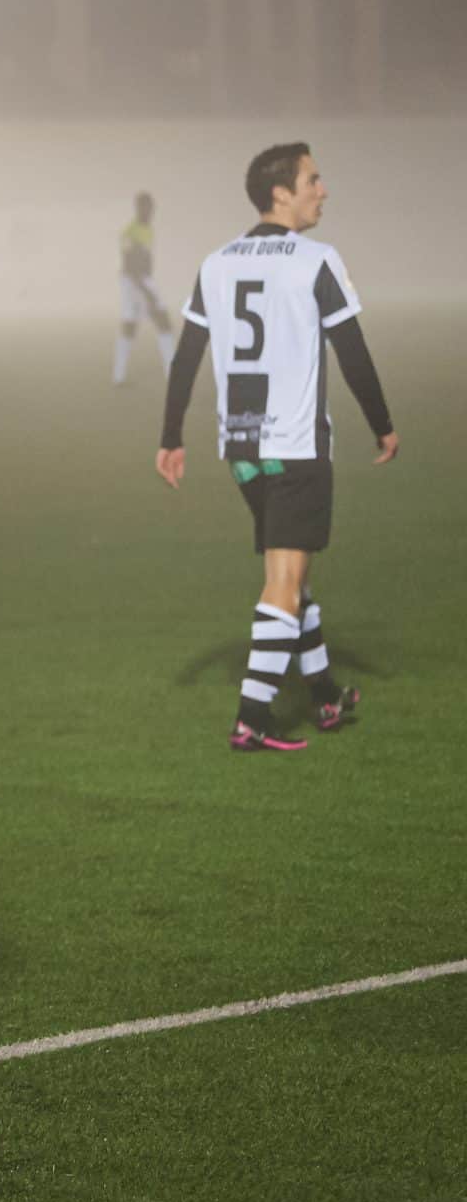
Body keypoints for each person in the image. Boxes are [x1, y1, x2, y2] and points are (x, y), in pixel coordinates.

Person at [157, 143, 396, 751]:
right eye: (313, 179)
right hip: (294, 445)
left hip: (242, 447)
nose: (323, 189)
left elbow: (187, 355)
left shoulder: (216, 262)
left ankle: (322, 697)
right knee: (285, 580)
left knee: (291, 575)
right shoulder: (314, 260)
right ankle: (252, 718)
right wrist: (382, 424)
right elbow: (353, 350)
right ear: (280, 193)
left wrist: (170, 436)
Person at [114, 192, 175, 385]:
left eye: (151, 207)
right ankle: (172, 372)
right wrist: (146, 292)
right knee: (163, 321)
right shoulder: (131, 232)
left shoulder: (147, 228)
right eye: (146, 207)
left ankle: (118, 374)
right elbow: (131, 264)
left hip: (138, 280)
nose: (150, 211)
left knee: (130, 325)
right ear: (138, 208)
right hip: (134, 280)